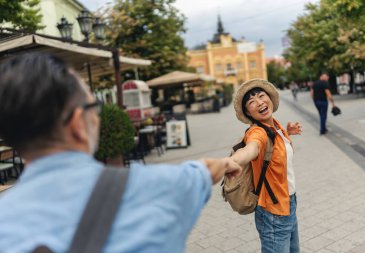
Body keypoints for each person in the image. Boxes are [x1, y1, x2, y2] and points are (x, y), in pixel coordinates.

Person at [0, 53, 241, 253]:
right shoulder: (161, 186)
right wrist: (227, 163)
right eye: (94, 106)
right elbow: (205, 171)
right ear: (77, 124)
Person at [230, 79, 302, 253]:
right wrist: (232, 162)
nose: (259, 102)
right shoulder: (257, 132)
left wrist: (287, 132)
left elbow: (277, 153)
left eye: (262, 96)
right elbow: (252, 148)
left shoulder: (274, 125)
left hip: (288, 203)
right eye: (251, 102)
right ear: (248, 113)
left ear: (270, 98)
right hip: (273, 212)